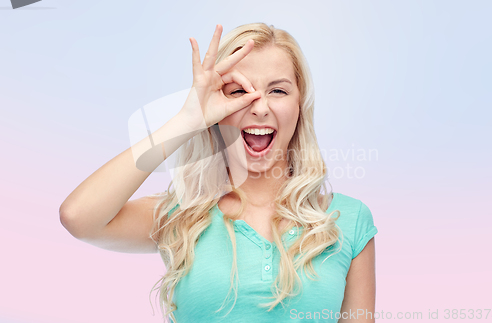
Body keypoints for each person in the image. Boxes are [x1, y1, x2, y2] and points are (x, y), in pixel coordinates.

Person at [59, 23, 378, 323]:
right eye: (239, 91)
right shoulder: (181, 215)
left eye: (278, 91)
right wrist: (187, 120)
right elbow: (78, 216)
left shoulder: (347, 220)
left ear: (299, 105)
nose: (260, 107)